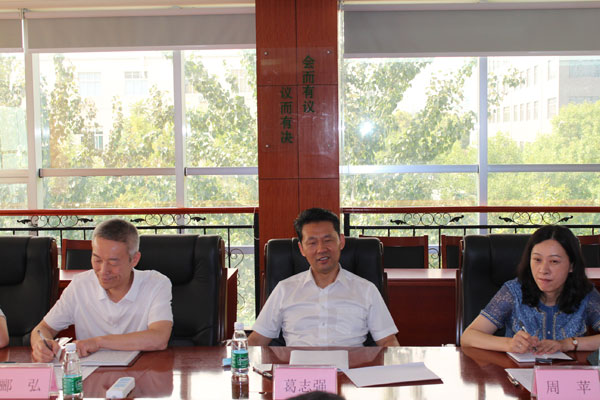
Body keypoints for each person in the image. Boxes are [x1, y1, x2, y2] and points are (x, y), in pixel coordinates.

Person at [248, 208, 399, 347]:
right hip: (299, 367)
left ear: (341, 241)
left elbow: (388, 341)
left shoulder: (366, 290)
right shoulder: (284, 289)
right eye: (312, 243)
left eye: (328, 240)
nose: (321, 249)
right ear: (301, 249)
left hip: (351, 366)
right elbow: (256, 340)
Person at [31, 218, 173, 362]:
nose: (103, 271)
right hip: (91, 373)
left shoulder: (155, 284)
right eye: (97, 260)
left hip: (143, 370)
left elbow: (159, 338)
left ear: (134, 259)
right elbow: (42, 329)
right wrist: (41, 345)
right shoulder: (80, 285)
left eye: (113, 262)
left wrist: (98, 342)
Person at [461, 225, 600, 354]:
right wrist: (509, 344)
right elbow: (468, 337)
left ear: (572, 266)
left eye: (554, 261)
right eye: (537, 260)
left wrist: (568, 344)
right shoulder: (514, 291)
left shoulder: (585, 294)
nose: (543, 270)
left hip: (569, 371)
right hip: (517, 371)